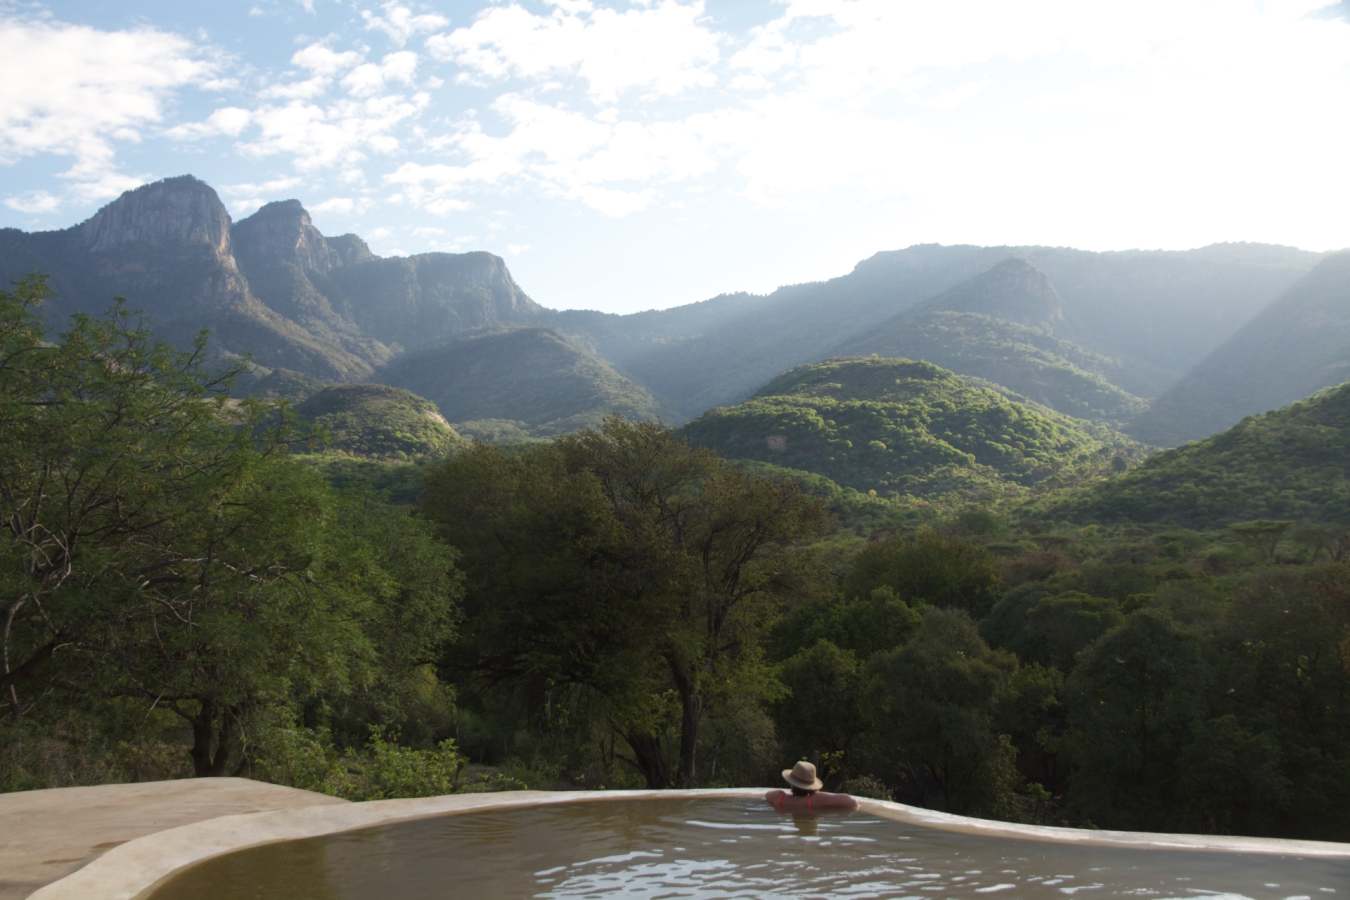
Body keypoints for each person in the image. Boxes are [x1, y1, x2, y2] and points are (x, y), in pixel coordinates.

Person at [765, 760, 858, 814]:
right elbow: (852, 802)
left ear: (791, 782)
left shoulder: (779, 797)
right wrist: (819, 795)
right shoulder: (816, 800)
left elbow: (767, 795)